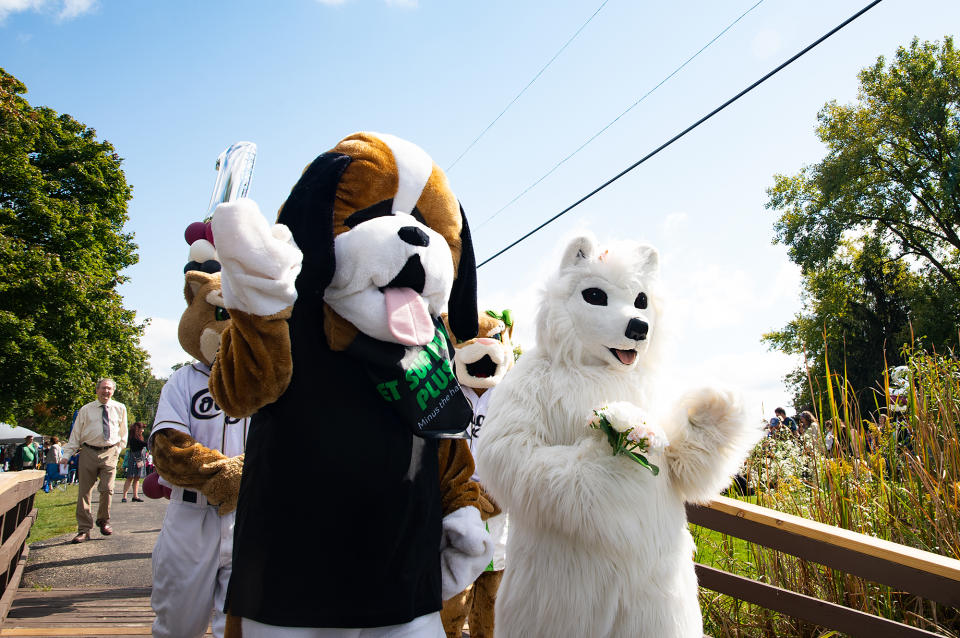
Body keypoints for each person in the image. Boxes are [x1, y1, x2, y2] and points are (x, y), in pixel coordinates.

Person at [60, 378, 128, 544]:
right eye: (104, 388)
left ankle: (103, 521)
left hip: (110, 452)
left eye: (110, 389)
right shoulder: (86, 409)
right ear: (97, 390)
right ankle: (84, 529)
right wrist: (66, 455)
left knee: (107, 488)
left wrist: (118, 450)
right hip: (88, 451)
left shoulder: (120, 408)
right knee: (84, 492)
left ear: (113, 391)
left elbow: (123, 432)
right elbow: (75, 434)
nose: (106, 391)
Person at [121, 422, 148, 502]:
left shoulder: (140, 437)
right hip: (134, 460)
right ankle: (124, 496)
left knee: (137, 478)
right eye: (142, 428)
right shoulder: (133, 438)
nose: (143, 430)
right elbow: (143, 444)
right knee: (130, 477)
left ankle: (135, 496)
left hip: (140, 460)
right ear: (137, 429)